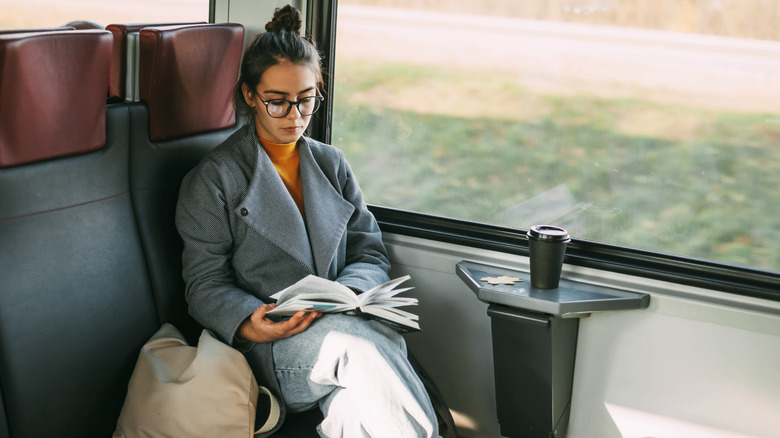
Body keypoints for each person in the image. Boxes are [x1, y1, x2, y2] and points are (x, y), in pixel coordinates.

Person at [175, 5, 440, 437]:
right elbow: (203, 284)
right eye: (277, 103)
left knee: (358, 409)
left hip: (342, 324)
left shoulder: (332, 164)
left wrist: (348, 292)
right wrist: (249, 322)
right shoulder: (215, 178)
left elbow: (367, 249)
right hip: (270, 349)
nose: (295, 117)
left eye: (306, 100)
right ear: (248, 95)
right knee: (364, 349)